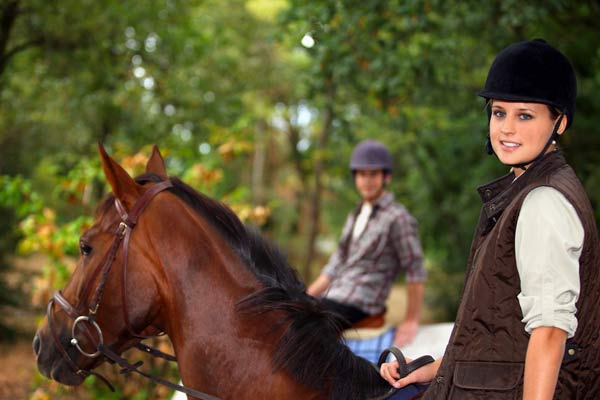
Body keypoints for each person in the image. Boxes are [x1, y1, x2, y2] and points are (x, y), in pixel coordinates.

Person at [380, 39, 600, 399]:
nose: (506, 128)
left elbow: (549, 332)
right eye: (499, 113)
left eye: (524, 115)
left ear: (559, 122)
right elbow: (499, 332)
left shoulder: (544, 200)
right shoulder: (520, 190)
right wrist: (437, 369)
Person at [308, 139, 426, 347]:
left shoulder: (397, 218)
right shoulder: (355, 214)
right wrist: (303, 297)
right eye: (362, 174)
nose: (367, 181)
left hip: (362, 302)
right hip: (336, 295)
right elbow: (334, 266)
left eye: (373, 174)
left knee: (309, 327)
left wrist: (411, 320)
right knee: (290, 314)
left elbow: (415, 269)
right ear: (355, 178)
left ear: (386, 176)